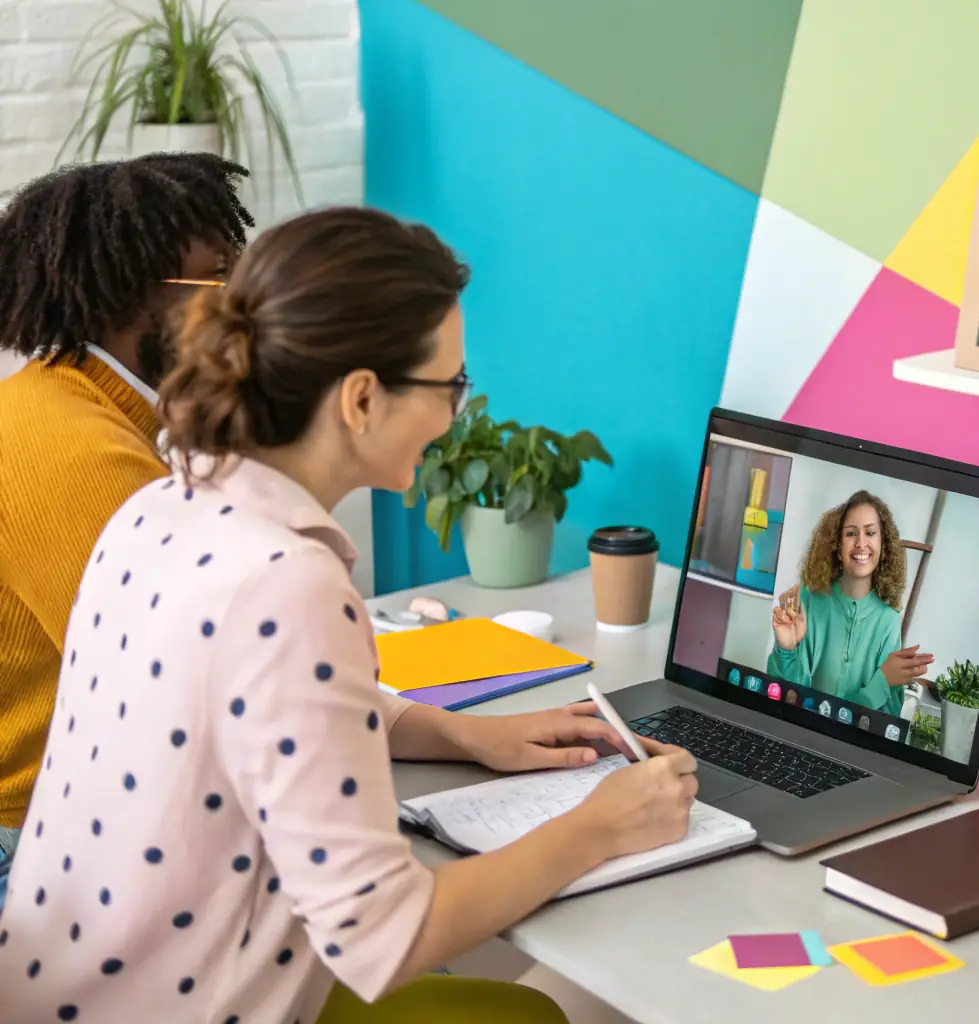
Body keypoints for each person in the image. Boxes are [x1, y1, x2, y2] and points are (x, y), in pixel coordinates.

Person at [0, 207, 699, 1023]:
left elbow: (244, 703)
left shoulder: (160, 507)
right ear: (362, 398)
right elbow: (383, 938)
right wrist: (598, 827)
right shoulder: (287, 579)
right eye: (450, 388)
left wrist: (462, 733)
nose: (453, 416)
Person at [0, 154, 253, 885]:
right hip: (29, 830)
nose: (239, 303)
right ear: (137, 298)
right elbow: (198, 690)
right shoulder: (76, 448)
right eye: (219, 279)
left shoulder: (84, 403)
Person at [767, 492, 933, 716]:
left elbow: (887, 721)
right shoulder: (808, 601)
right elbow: (786, 700)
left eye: (871, 533)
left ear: (883, 545)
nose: (861, 543)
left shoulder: (889, 621)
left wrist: (886, 682)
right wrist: (786, 651)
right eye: (851, 533)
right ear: (837, 544)